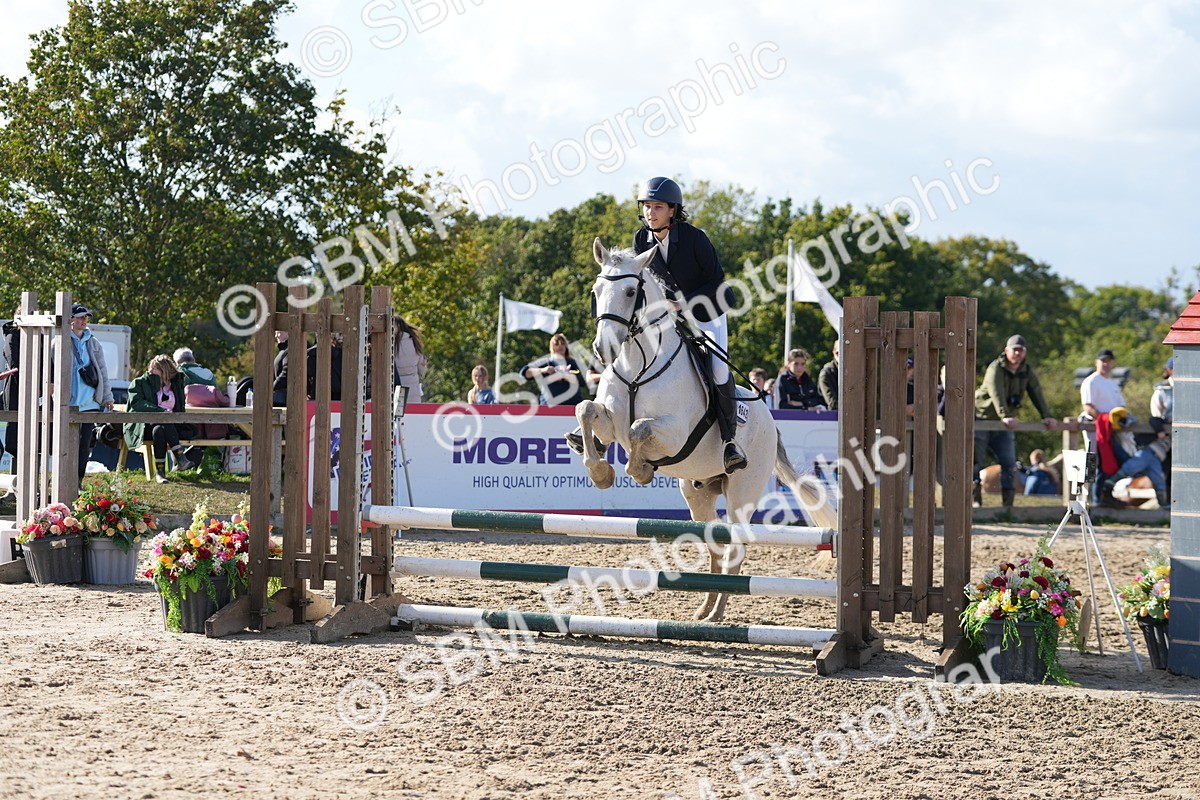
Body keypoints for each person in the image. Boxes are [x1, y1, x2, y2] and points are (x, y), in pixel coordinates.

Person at [632, 176, 746, 473]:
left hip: (707, 309)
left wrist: (682, 304)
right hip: (668, 314)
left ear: (672, 210)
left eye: (657, 207)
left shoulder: (695, 238)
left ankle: (729, 441)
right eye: (646, 206)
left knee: (718, 368)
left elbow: (716, 282)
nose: (650, 212)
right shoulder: (640, 239)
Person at [972, 334, 1057, 508]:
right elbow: (997, 394)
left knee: (1009, 462)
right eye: (1014, 349)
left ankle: (1007, 507)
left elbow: (1036, 392)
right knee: (975, 461)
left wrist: (1046, 415)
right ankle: (974, 502)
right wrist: (1004, 414)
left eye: (1021, 350)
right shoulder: (995, 368)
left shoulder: (1026, 370)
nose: (1017, 353)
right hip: (982, 419)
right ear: (1006, 351)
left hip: (1004, 424)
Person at [124, 355, 198, 475]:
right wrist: (159, 410)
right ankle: (180, 458)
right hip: (143, 426)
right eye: (150, 368)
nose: (150, 371)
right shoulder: (140, 383)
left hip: (170, 427)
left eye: (154, 369)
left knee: (159, 430)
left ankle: (160, 473)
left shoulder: (175, 384)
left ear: (164, 371)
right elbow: (137, 403)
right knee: (163, 422)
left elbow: (180, 408)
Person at [522, 333, 584, 406]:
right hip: (549, 407)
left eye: (562, 343)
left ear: (566, 346)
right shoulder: (546, 362)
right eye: (556, 344)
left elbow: (584, 381)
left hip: (572, 406)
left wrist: (567, 377)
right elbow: (525, 373)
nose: (560, 345)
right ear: (552, 347)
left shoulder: (574, 363)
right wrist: (543, 370)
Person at [1080, 348, 1126, 418]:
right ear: (1096, 362)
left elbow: (1121, 406)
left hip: (1113, 426)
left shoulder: (1114, 384)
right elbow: (1088, 407)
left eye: (1109, 361)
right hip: (1095, 427)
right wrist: (1106, 419)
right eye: (1103, 360)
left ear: (1113, 363)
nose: (1106, 364)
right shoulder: (1091, 381)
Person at [394, 315, 428, 404]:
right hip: (413, 385)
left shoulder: (389, 343)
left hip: (395, 385)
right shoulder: (414, 341)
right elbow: (421, 367)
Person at [818, 341, 839, 409]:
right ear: (834, 353)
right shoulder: (826, 374)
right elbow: (832, 403)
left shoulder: (854, 370)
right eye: (837, 353)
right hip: (831, 417)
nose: (839, 355)